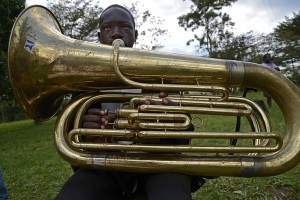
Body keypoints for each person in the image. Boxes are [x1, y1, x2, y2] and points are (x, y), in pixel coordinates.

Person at [55, 4, 204, 200]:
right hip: (103, 166)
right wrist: (85, 134)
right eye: (108, 28)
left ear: (136, 34)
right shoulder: (84, 81)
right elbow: (71, 139)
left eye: (125, 27)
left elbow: (185, 135)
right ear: (100, 36)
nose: (116, 33)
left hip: (159, 164)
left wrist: (167, 125)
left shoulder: (161, 74)